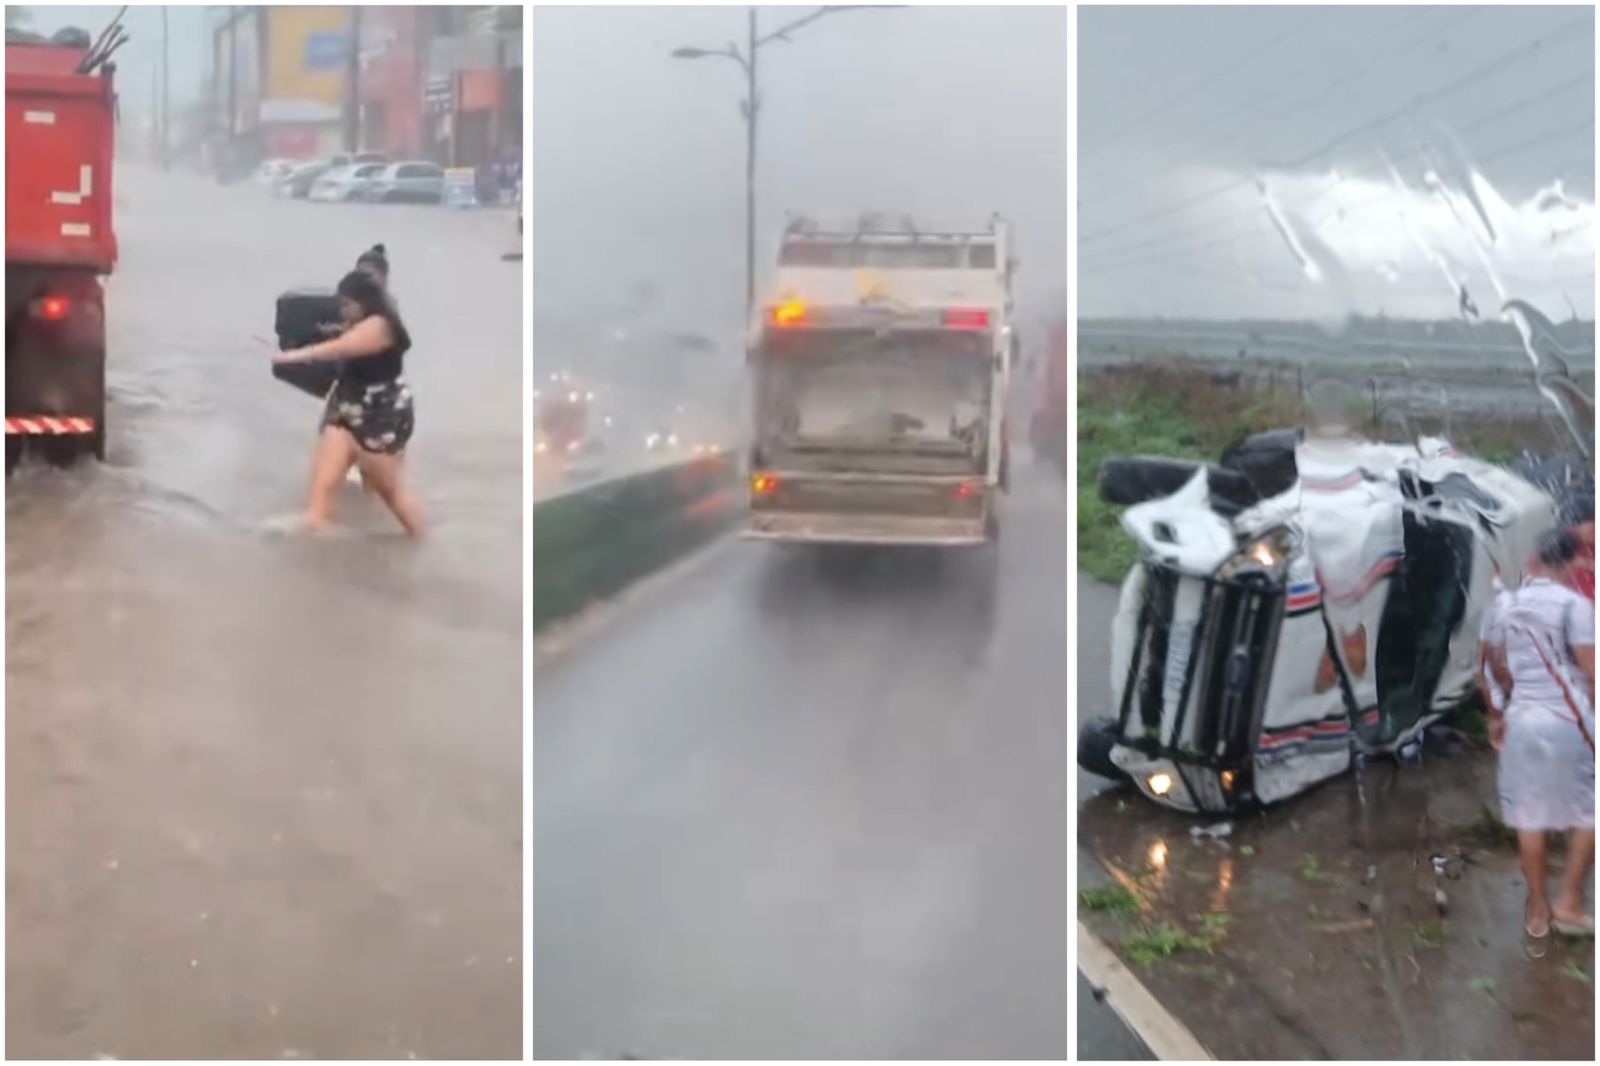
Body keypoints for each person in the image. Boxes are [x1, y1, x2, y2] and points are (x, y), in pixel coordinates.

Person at [1481, 527, 1595, 938]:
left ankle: (1537, 910)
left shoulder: (1502, 605)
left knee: (1529, 817)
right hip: (1570, 723)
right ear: (1571, 563)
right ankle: (1569, 903)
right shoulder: (1576, 607)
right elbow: (1593, 673)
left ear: (1533, 560)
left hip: (1522, 724)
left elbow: (1489, 667)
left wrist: (1498, 714)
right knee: (1591, 811)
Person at [275, 269, 424, 536]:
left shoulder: (380, 326)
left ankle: (420, 537)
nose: (343, 310)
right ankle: (315, 526)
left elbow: (341, 348)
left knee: (391, 492)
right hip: (347, 407)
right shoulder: (355, 323)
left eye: (347, 304)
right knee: (323, 482)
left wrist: (294, 356)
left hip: (379, 413)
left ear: (365, 300)